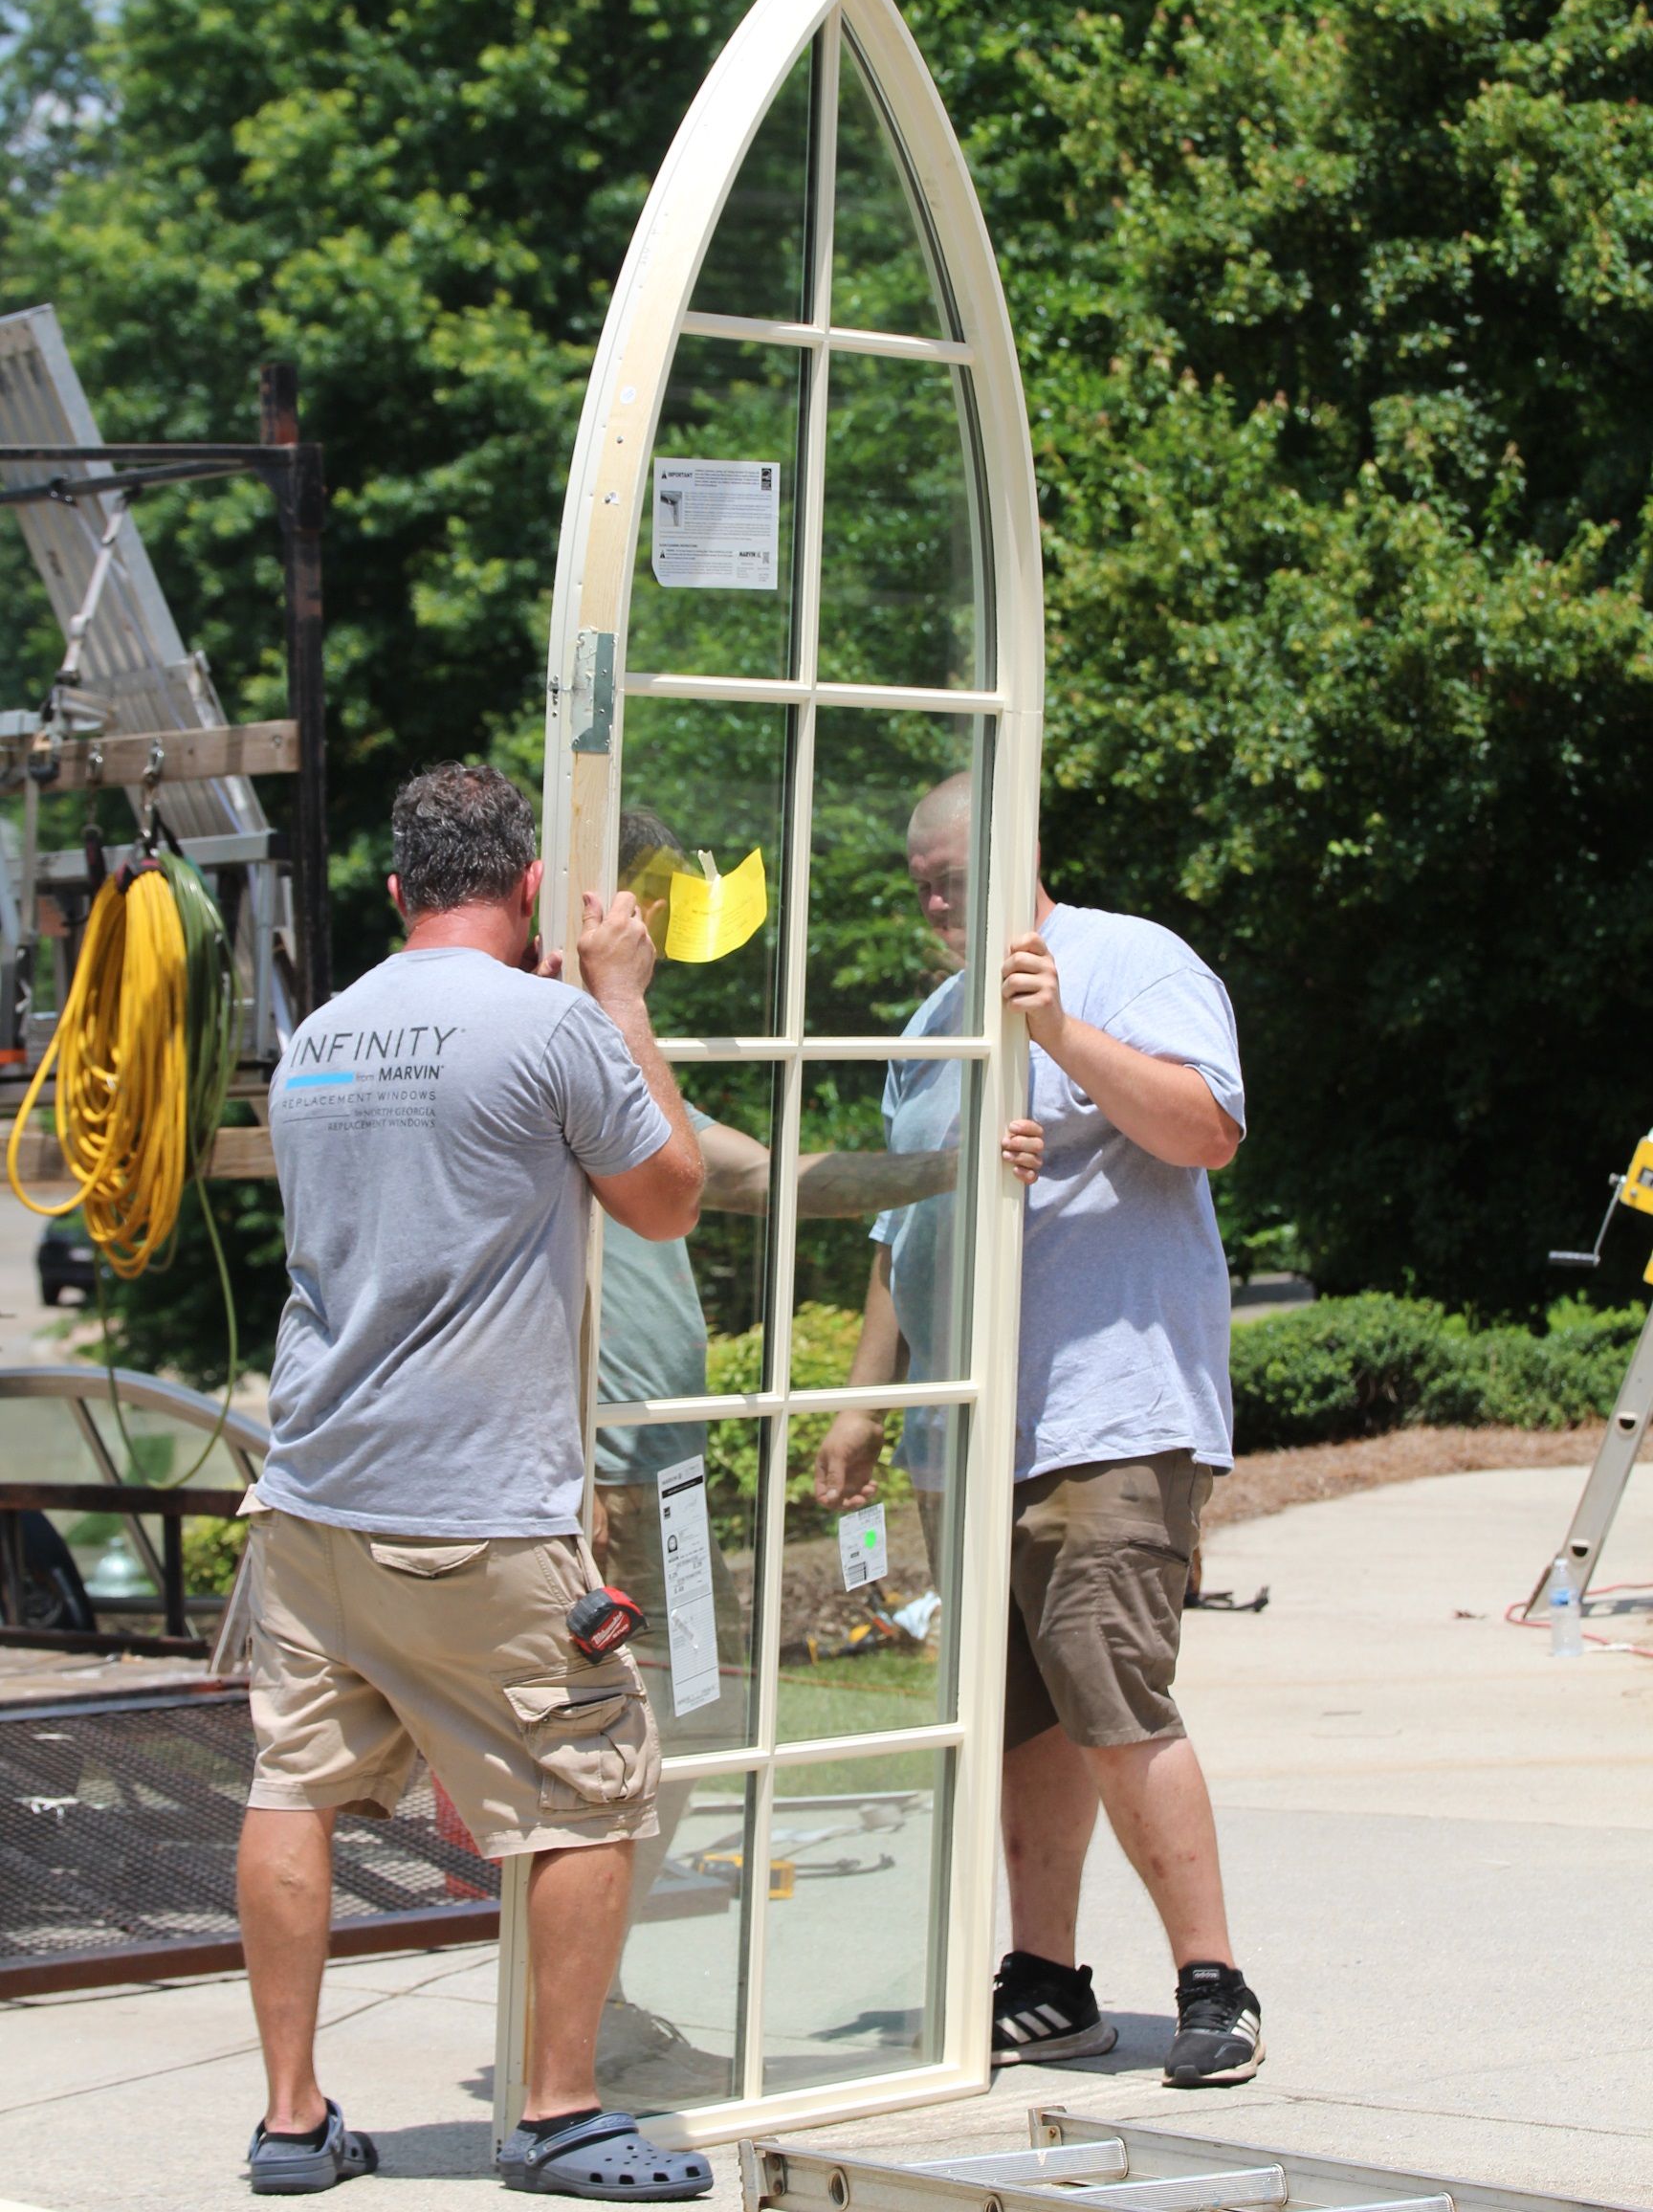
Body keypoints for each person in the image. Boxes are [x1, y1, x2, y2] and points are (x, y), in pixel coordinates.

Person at [236, 762, 716, 2200]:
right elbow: (669, 1194)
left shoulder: (315, 1040)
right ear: (524, 893)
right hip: (473, 1504)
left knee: (292, 1790)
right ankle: (565, 2114)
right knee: (595, 1784)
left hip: (311, 1495)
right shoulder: (555, 1022)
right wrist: (623, 998)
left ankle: (293, 2121)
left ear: (394, 894)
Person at [588, 807, 1043, 2105]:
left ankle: (601, 1997)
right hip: (612, 1475)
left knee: (685, 1725)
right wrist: (582, 1473)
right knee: (615, 1745)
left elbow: (769, 1178)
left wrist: (956, 1166)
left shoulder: (627, 1056)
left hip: (665, 1465)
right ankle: (582, 2016)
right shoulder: (558, 1055)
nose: (665, 946)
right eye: (660, 917)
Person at [815, 774, 1263, 2090]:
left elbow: (1209, 1130)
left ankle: (1214, 1982)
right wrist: (863, 1400)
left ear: (1023, 850)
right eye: (924, 886)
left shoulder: (1133, 962)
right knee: (1017, 1722)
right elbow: (910, 1222)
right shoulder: (931, 1025)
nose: (940, 903)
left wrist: (1062, 1033)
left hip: (1112, 1415)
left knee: (1115, 1700)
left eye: (957, 874)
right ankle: (1048, 1979)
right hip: (972, 1432)